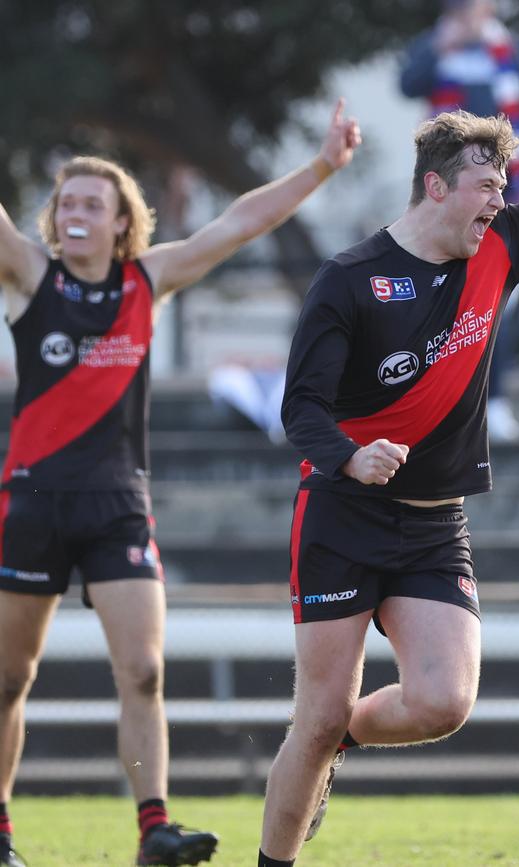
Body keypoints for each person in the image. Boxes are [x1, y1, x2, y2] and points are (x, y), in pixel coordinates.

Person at [258, 3, 519, 865]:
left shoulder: (499, 246)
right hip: (343, 511)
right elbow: (300, 411)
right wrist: (350, 454)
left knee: (443, 701)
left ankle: (336, 744)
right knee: (311, 717)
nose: (501, 199)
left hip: (435, 521)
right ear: (435, 185)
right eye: (485, 183)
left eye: (504, 186)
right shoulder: (349, 280)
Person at [0, 100, 361, 867]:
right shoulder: (31, 275)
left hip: (118, 506)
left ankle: (153, 828)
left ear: (121, 221)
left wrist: (324, 165)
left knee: (144, 669)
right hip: (31, 500)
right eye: (65, 202)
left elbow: (236, 224)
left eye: (91, 204)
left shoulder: (146, 281)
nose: (74, 213)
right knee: (7, 678)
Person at [399, 0, 519, 441]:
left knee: (493, 298)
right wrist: (443, 46)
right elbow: (409, 83)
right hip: (445, 194)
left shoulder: (509, 48)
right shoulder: (435, 45)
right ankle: (436, 400)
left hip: (501, 192)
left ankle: (492, 401)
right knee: (441, 301)